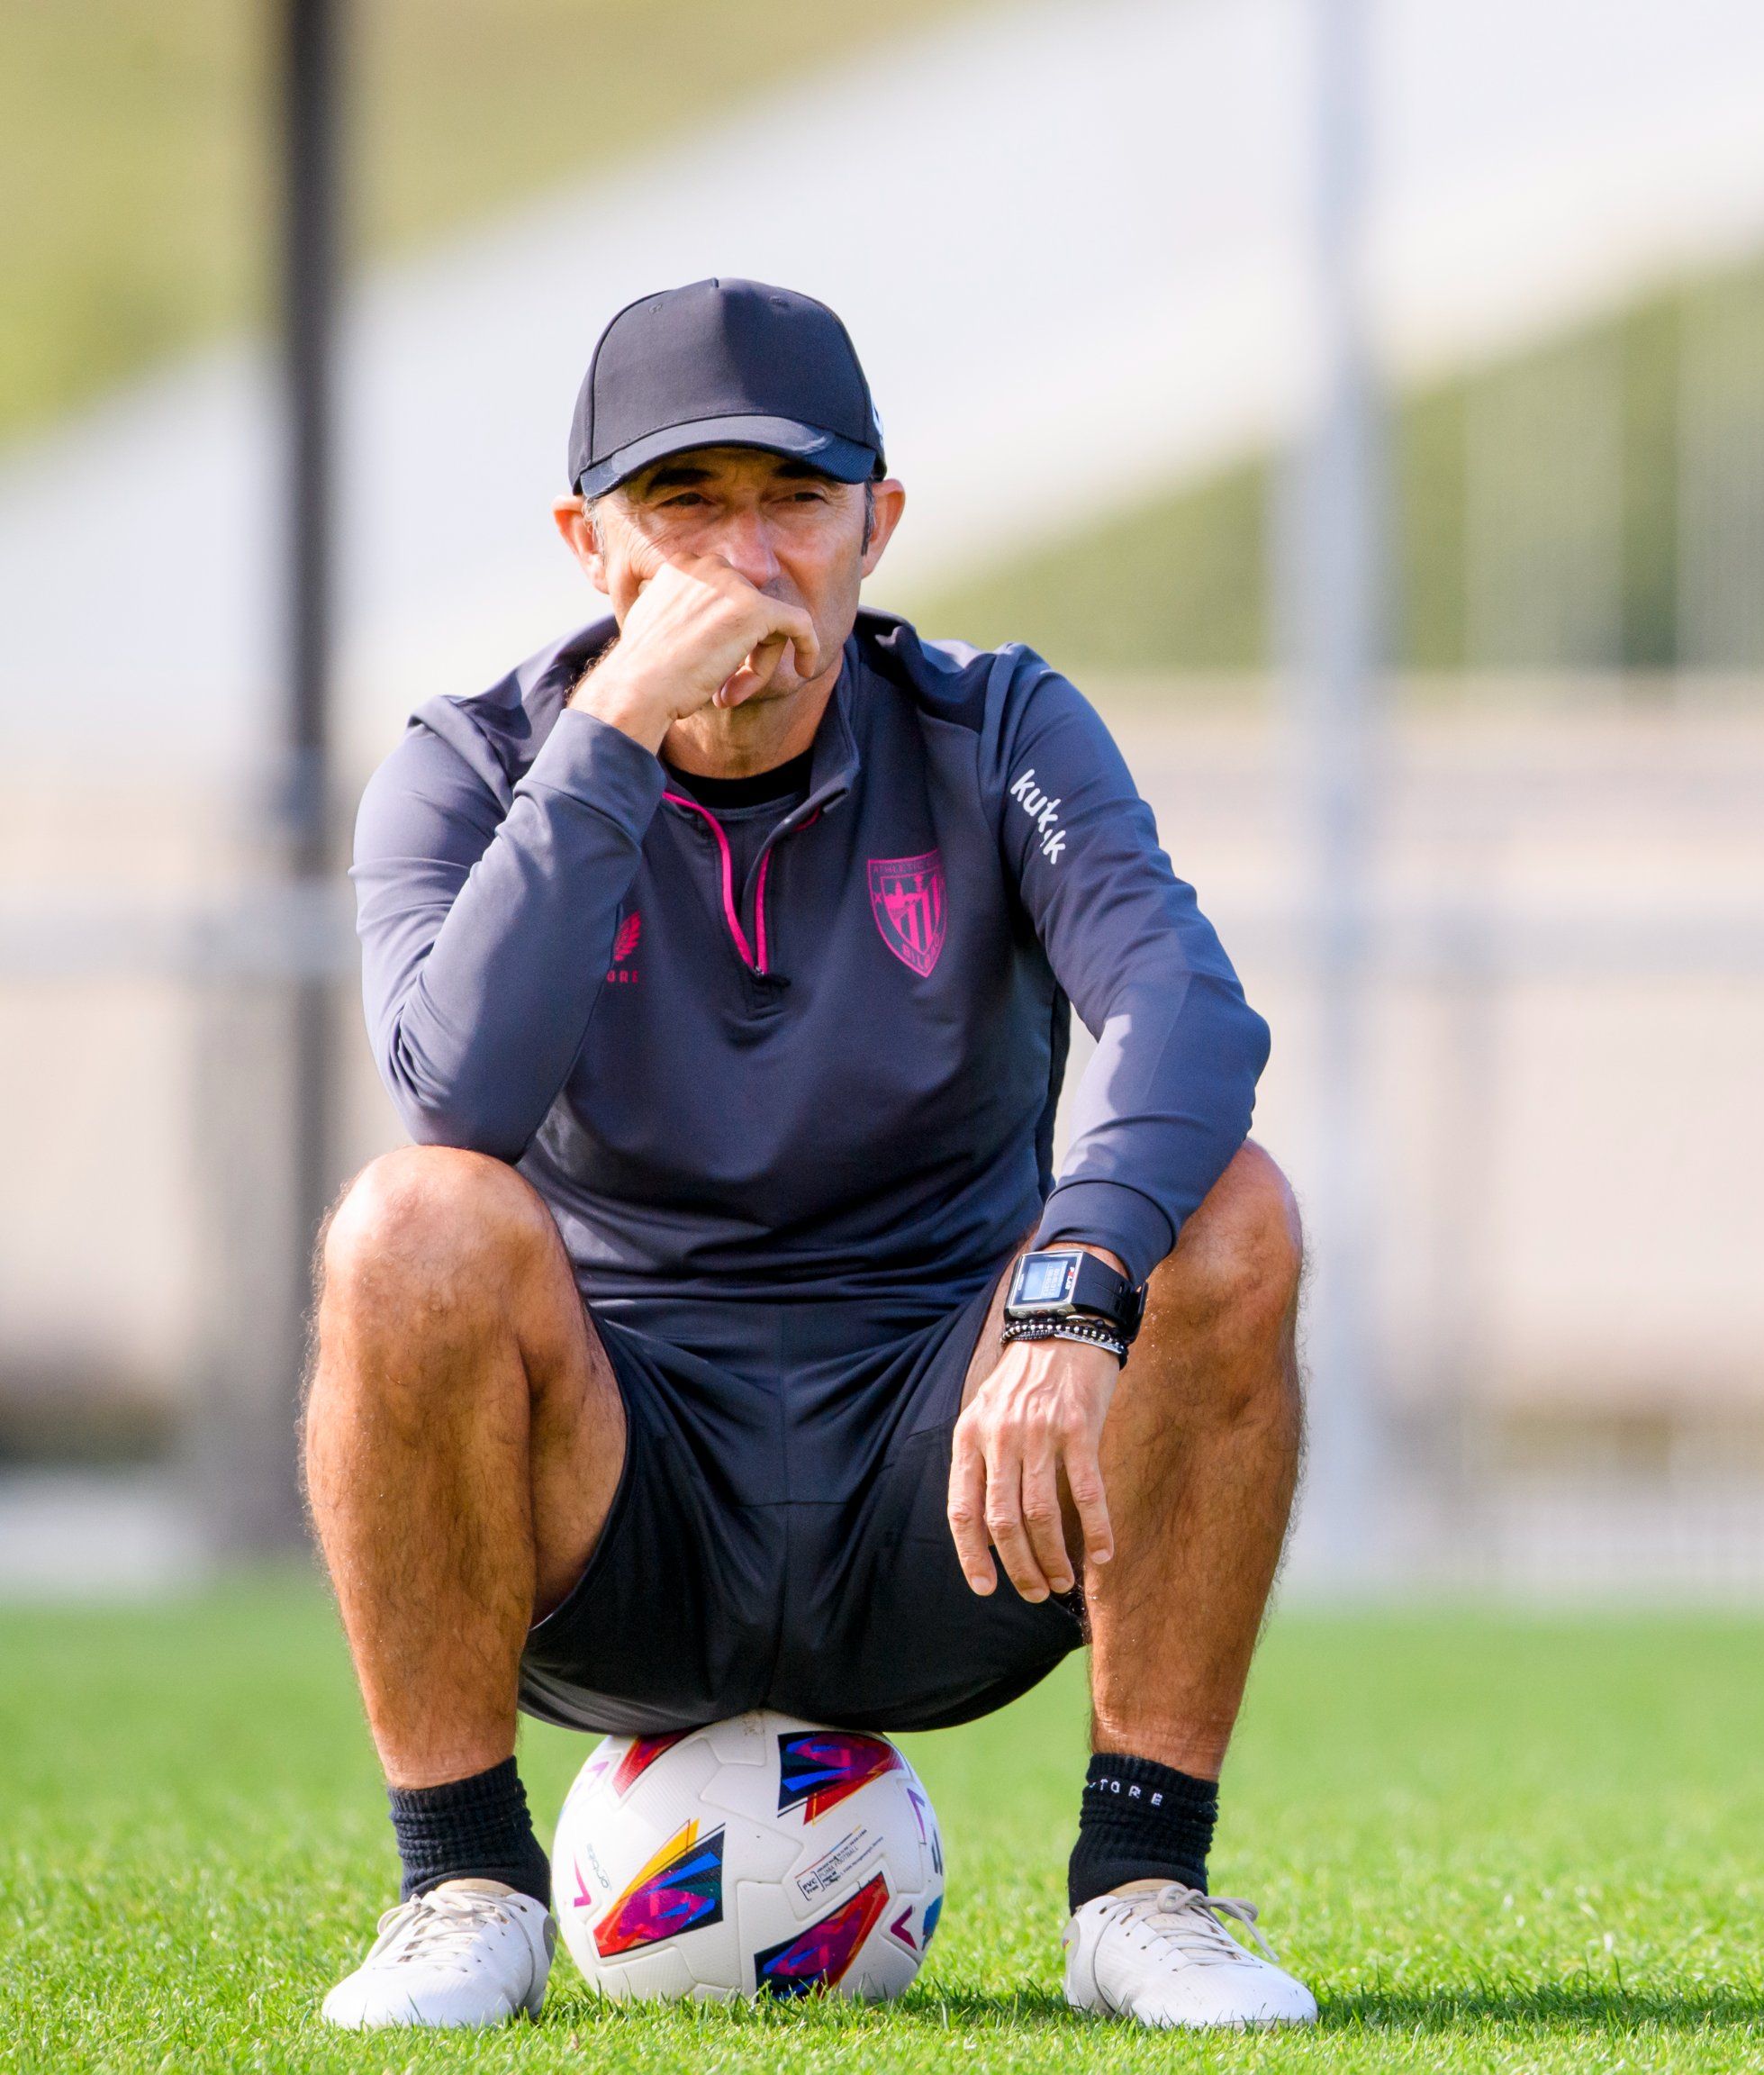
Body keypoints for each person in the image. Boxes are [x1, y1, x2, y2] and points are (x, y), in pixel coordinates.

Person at [312, 278, 1313, 2031]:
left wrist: (1074, 1299)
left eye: (792, 502)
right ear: (587, 546)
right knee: (414, 1225)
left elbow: (1188, 1014)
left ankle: (1143, 1887)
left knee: (1226, 1216)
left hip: (961, 1481)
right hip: (613, 1502)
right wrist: (617, 736)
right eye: (682, 509)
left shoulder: (995, 727)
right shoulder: (467, 764)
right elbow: (454, 1100)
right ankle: (462, 1884)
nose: (743, 561)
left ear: (878, 525)